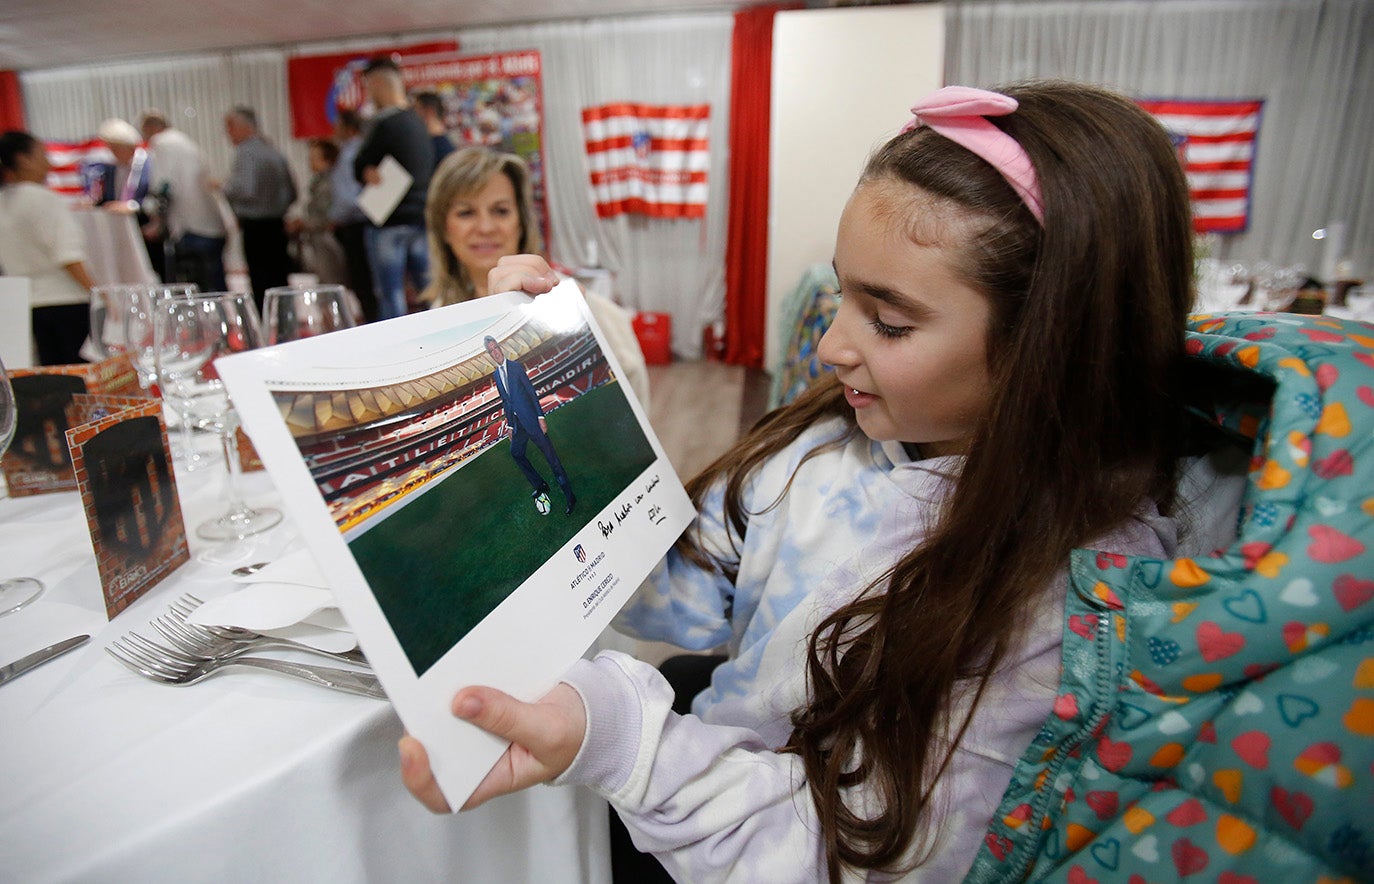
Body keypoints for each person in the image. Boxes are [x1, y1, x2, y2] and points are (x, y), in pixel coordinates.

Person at [397, 81, 1205, 880]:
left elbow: (846, 857)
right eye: (842, 295)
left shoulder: (1056, 613)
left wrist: (621, 742)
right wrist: (533, 369)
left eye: (888, 321)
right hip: (710, 781)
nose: (831, 347)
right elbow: (668, 583)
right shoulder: (823, 444)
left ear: (1052, 344)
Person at [421, 146, 650, 406]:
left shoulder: (567, 298)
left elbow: (632, 387)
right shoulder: (440, 313)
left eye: (501, 210)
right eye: (466, 213)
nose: (485, 227)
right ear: (444, 230)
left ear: (521, 222)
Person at [0, 130, 97, 365]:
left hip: (27, 304)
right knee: (80, 382)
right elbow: (68, 255)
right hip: (66, 301)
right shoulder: (43, 199)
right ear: (24, 160)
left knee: (49, 382)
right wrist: (98, 294)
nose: (48, 162)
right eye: (42, 155)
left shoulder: (4, 201)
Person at [354, 56, 433, 320]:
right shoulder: (418, 123)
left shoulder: (385, 124)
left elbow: (361, 165)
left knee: (391, 295)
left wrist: (366, 170)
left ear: (378, 84)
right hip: (419, 218)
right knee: (428, 291)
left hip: (388, 221)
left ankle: (397, 352)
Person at [483, 334, 577, 516]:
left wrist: (541, 417)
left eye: (496, 348)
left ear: (500, 348)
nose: (495, 353)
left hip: (532, 422)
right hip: (518, 426)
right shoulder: (496, 375)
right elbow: (506, 401)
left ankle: (569, 496)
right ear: (489, 354)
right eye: (491, 351)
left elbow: (531, 393)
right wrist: (510, 426)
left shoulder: (516, 368)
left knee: (552, 460)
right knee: (516, 453)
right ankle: (540, 484)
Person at [139, 109, 228, 293]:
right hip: (210, 225)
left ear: (151, 128)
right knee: (216, 290)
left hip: (191, 229)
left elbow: (164, 186)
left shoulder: (162, 142)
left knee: (198, 294)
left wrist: (154, 219)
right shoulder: (185, 142)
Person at [221, 105, 297, 307]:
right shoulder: (273, 151)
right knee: (280, 280)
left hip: (256, 228)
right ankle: (284, 320)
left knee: (262, 281)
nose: (228, 134)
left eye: (230, 127)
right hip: (277, 225)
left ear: (245, 127)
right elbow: (292, 193)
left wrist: (224, 187)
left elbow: (246, 190)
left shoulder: (245, 153)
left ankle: (267, 328)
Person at [92, 117, 163, 278]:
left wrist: (131, 206)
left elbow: (158, 197)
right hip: (118, 231)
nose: (113, 153)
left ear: (129, 146)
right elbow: (107, 198)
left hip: (144, 228)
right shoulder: (111, 169)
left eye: (116, 149)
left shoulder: (149, 164)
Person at [329, 109, 376, 321]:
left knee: (363, 282)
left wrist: (336, 216)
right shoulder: (358, 150)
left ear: (348, 128)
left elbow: (349, 195)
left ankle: (373, 323)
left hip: (355, 222)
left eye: (337, 125)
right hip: (358, 221)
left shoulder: (351, 154)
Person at [285, 138, 347, 285]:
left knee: (331, 282)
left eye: (314, 158)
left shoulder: (331, 185)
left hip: (329, 241)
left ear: (327, 160)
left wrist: (303, 224)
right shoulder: (319, 183)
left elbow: (328, 217)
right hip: (318, 241)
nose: (310, 162)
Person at [413, 91, 456, 166]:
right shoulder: (446, 146)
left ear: (429, 111)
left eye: (416, 109)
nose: (412, 115)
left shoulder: (439, 149)